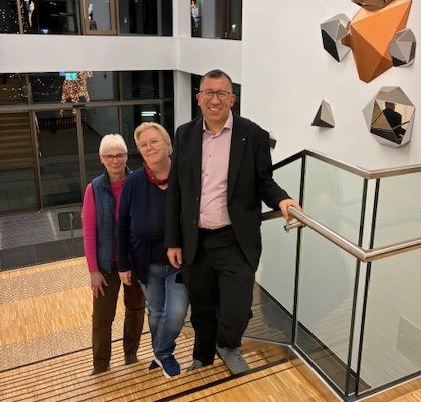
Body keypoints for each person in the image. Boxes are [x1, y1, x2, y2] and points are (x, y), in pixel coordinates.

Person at [165, 69, 301, 375]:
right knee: (201, 305)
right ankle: (202, 356)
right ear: (198, 98)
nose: (214, 100)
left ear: (232, 99)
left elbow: (264, 181)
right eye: (208, 93)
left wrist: (282, 199)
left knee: (237, 308)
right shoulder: (184, 134)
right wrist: (173, 240)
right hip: (195, 239)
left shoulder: (253, 135)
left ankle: (227, 345)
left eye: (221, 93)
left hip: (234, 239)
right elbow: (176, 191)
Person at [117, 123, 189, 379]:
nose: (149, 148)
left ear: (168, 145)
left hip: (181, 263)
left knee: (177, 312)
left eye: (154, 141)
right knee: (156, 311)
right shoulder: (133, 182)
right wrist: (123, 265)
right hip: (147, 264)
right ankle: (165, 354)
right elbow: (122, 226)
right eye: (143, 145)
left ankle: (160, 352)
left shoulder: (185, 175)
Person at [82, 134, 145, 375]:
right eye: (109, 156)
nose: (115, 160)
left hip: (135, 262)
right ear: (101, 159)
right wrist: (93, 271)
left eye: (119, 155)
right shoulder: (94, 189)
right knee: (101, 318)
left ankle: (131, 354)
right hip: (106, 266)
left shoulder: (139, 182)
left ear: (127, 156)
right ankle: (101, 364)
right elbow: (89, 233)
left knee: (135, 309)